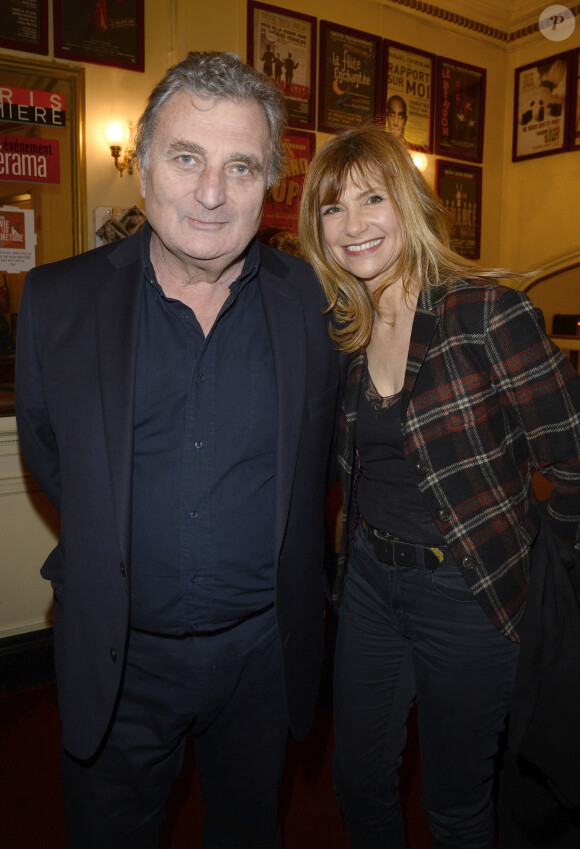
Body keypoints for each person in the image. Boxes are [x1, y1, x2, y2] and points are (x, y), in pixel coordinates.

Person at [16, 51, 343, 849]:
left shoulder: (313, 300)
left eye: (241, 166)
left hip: (264, 656)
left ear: (268, 185)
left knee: (249, 828)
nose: (210, 192)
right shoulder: (57, 301)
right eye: (187, 157)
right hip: (120, 658)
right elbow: (53, 457)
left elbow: (329, 454)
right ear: (144, 163)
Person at [298, 125, 580, 849]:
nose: (352, 224)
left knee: (456, 805)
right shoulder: (342, 331)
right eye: (332, 207)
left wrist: (552, 570)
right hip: (365, 581)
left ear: (412, 206)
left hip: (468, 591)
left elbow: (575, 457)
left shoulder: (485, 315)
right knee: (357, 783)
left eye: (372, 197)